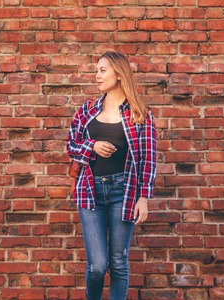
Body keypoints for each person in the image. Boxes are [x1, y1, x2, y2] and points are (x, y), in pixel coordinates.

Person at [67, 50, 157, 300]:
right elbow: (71, 145)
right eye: (97, 71)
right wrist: (91, 146)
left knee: (118, 263)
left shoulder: (140, 114)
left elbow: (148, 159)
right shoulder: (87, 110)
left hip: (124, 191)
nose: (97, 76)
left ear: (119, 73)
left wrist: (144, 198)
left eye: (102, 70)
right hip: (90, 192)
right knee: (97, 265)